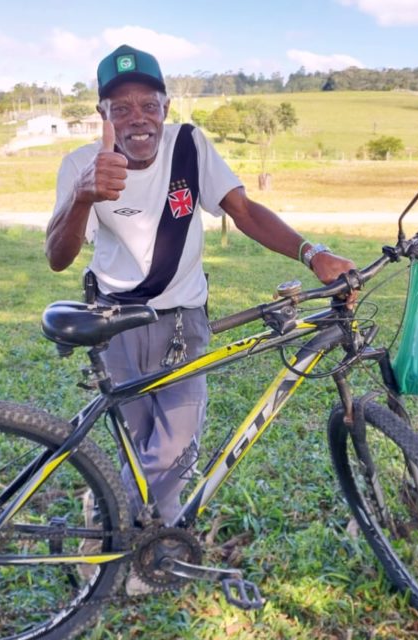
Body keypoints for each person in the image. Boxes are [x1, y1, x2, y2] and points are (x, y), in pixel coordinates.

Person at [46, 44, 356, 528]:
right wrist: (83, 195)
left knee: (175, 448)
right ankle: (155, 541)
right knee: (139, 439)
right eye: (121, 108)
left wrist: (312, 254)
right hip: (115, 322)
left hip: (182, 321)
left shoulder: (190, 147)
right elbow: (57, 257)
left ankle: (111, 516)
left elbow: (245, 211)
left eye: (149, 105)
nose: (138, 119)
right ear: (102, 114)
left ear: (166, 107)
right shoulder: (82, 164)